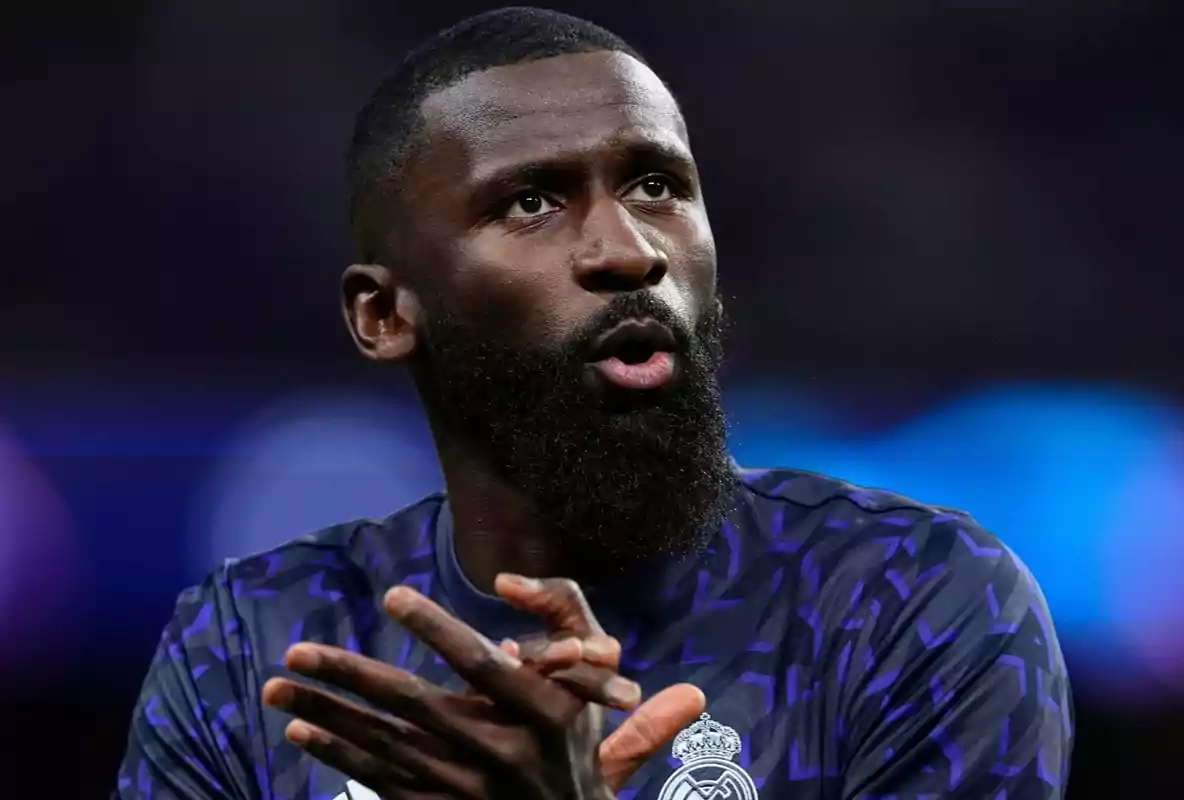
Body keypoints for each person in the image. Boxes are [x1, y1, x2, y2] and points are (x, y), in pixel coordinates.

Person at [115, 7, 1073, 799]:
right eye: (532, 202)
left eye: (658, 185)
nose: (629, 251)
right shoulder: (258, 644)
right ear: (384, 313)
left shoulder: (915, 602)